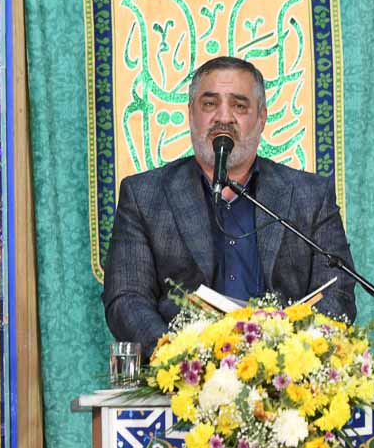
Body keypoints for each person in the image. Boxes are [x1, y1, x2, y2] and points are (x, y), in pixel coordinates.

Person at [103, 56, 357, 350]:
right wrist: (178, 355)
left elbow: (338, 293)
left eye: (239, 105)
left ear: (261, 118)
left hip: (285, 370)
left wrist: (292, 354)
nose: (223, 117)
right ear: (191, 113)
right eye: (210, 104)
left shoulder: (311, 195)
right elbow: (126, 299)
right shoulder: (144, 196)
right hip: (182, 370)